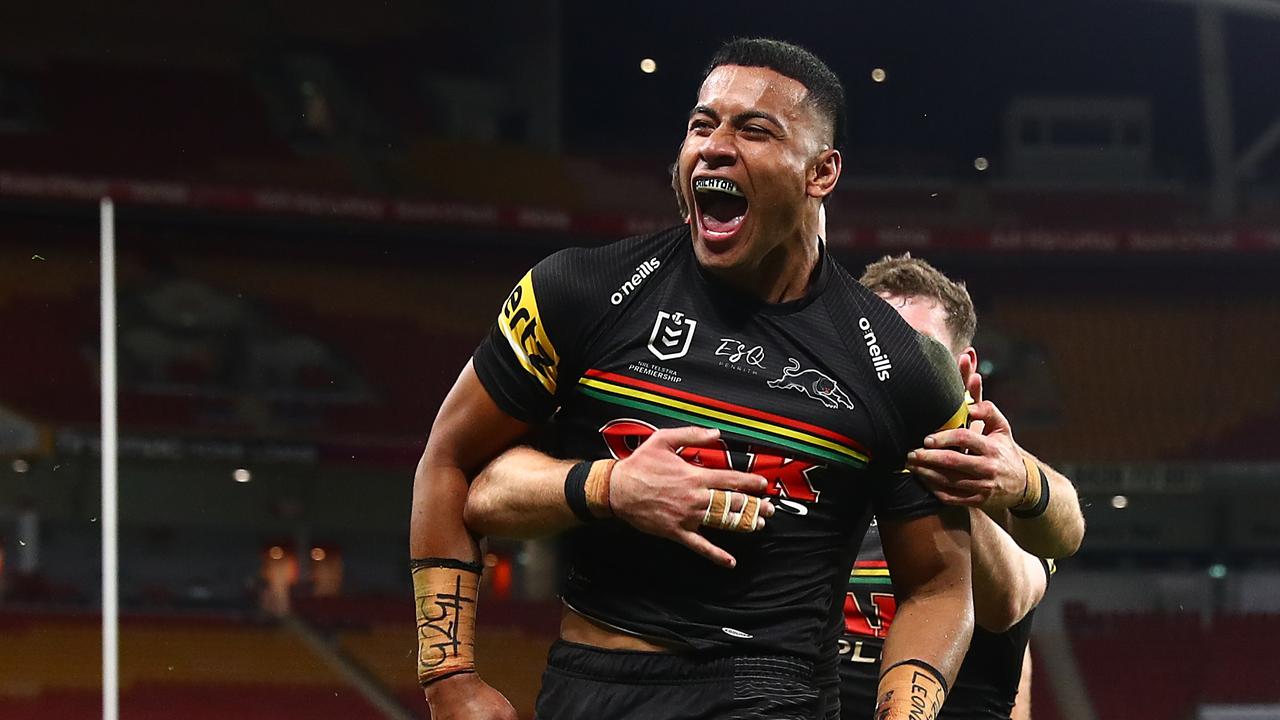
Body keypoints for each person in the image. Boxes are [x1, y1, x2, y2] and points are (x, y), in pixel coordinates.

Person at [415, 37, 975, 720]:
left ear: (821, 172)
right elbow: (451, 463)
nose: (714, 145)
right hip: (589, 687)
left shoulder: (903, 367)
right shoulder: (580, 291)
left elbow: (940, 583)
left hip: (773, 697)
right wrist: (448, 676)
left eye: (754, 129)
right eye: (701, 124)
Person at [838, 254, 1081, 720]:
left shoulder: (994, 474)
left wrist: (1012, 485)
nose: (891, 374)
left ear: (965, 371)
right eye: (875, 351)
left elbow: (1017, 591)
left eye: (918, 353)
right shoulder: (816, 463)